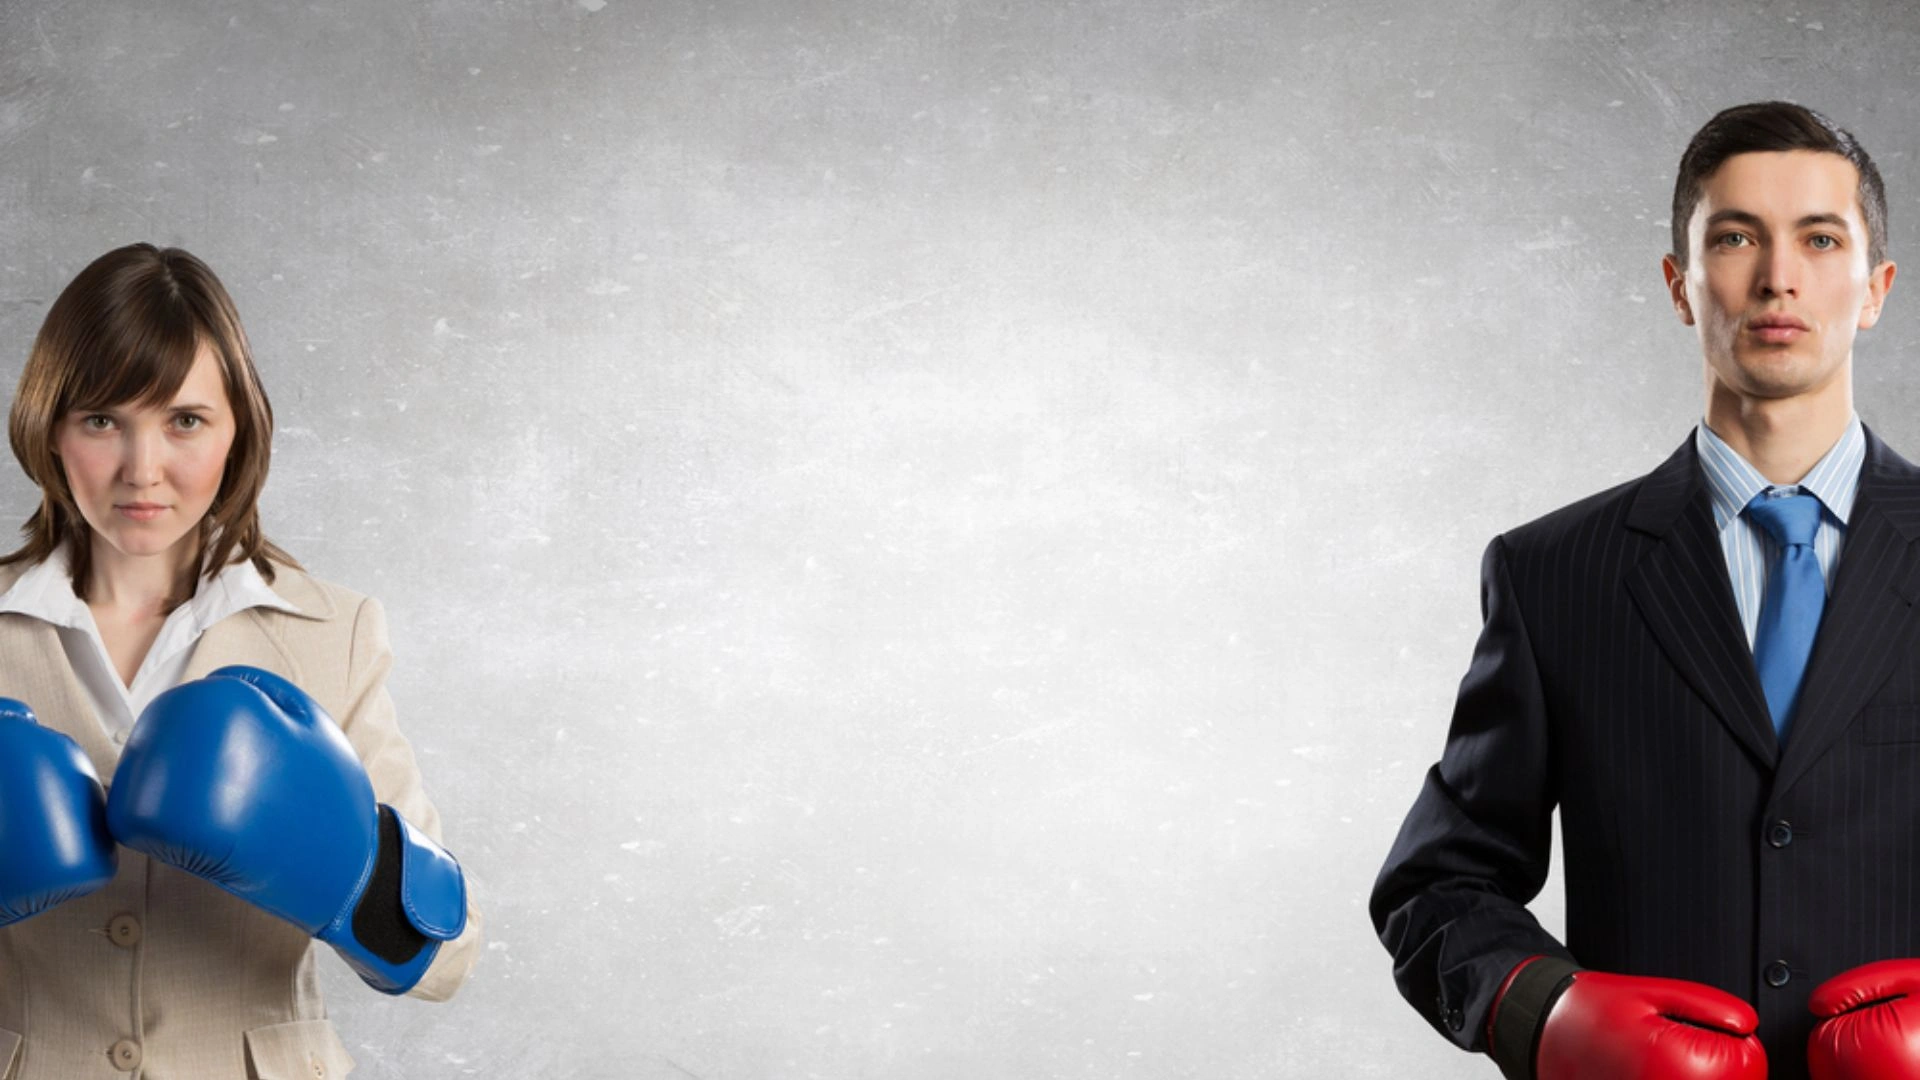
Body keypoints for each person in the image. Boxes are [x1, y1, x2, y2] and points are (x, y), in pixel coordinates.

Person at [1369, 100, 1920, 1080]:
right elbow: (1438, 883)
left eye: (1821, 238)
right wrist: (1540, 1013)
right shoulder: (1552, 575)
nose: (1778, 277)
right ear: (1680, 284)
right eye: (1736, 237)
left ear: (1875, 288)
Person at [0, 243, 482, 1078]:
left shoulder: (333, 631)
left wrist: (342, 864)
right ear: (49, 426)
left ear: (238, 429)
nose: (141, 470)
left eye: (185, 420)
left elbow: (447, 958)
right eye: (102, 419)